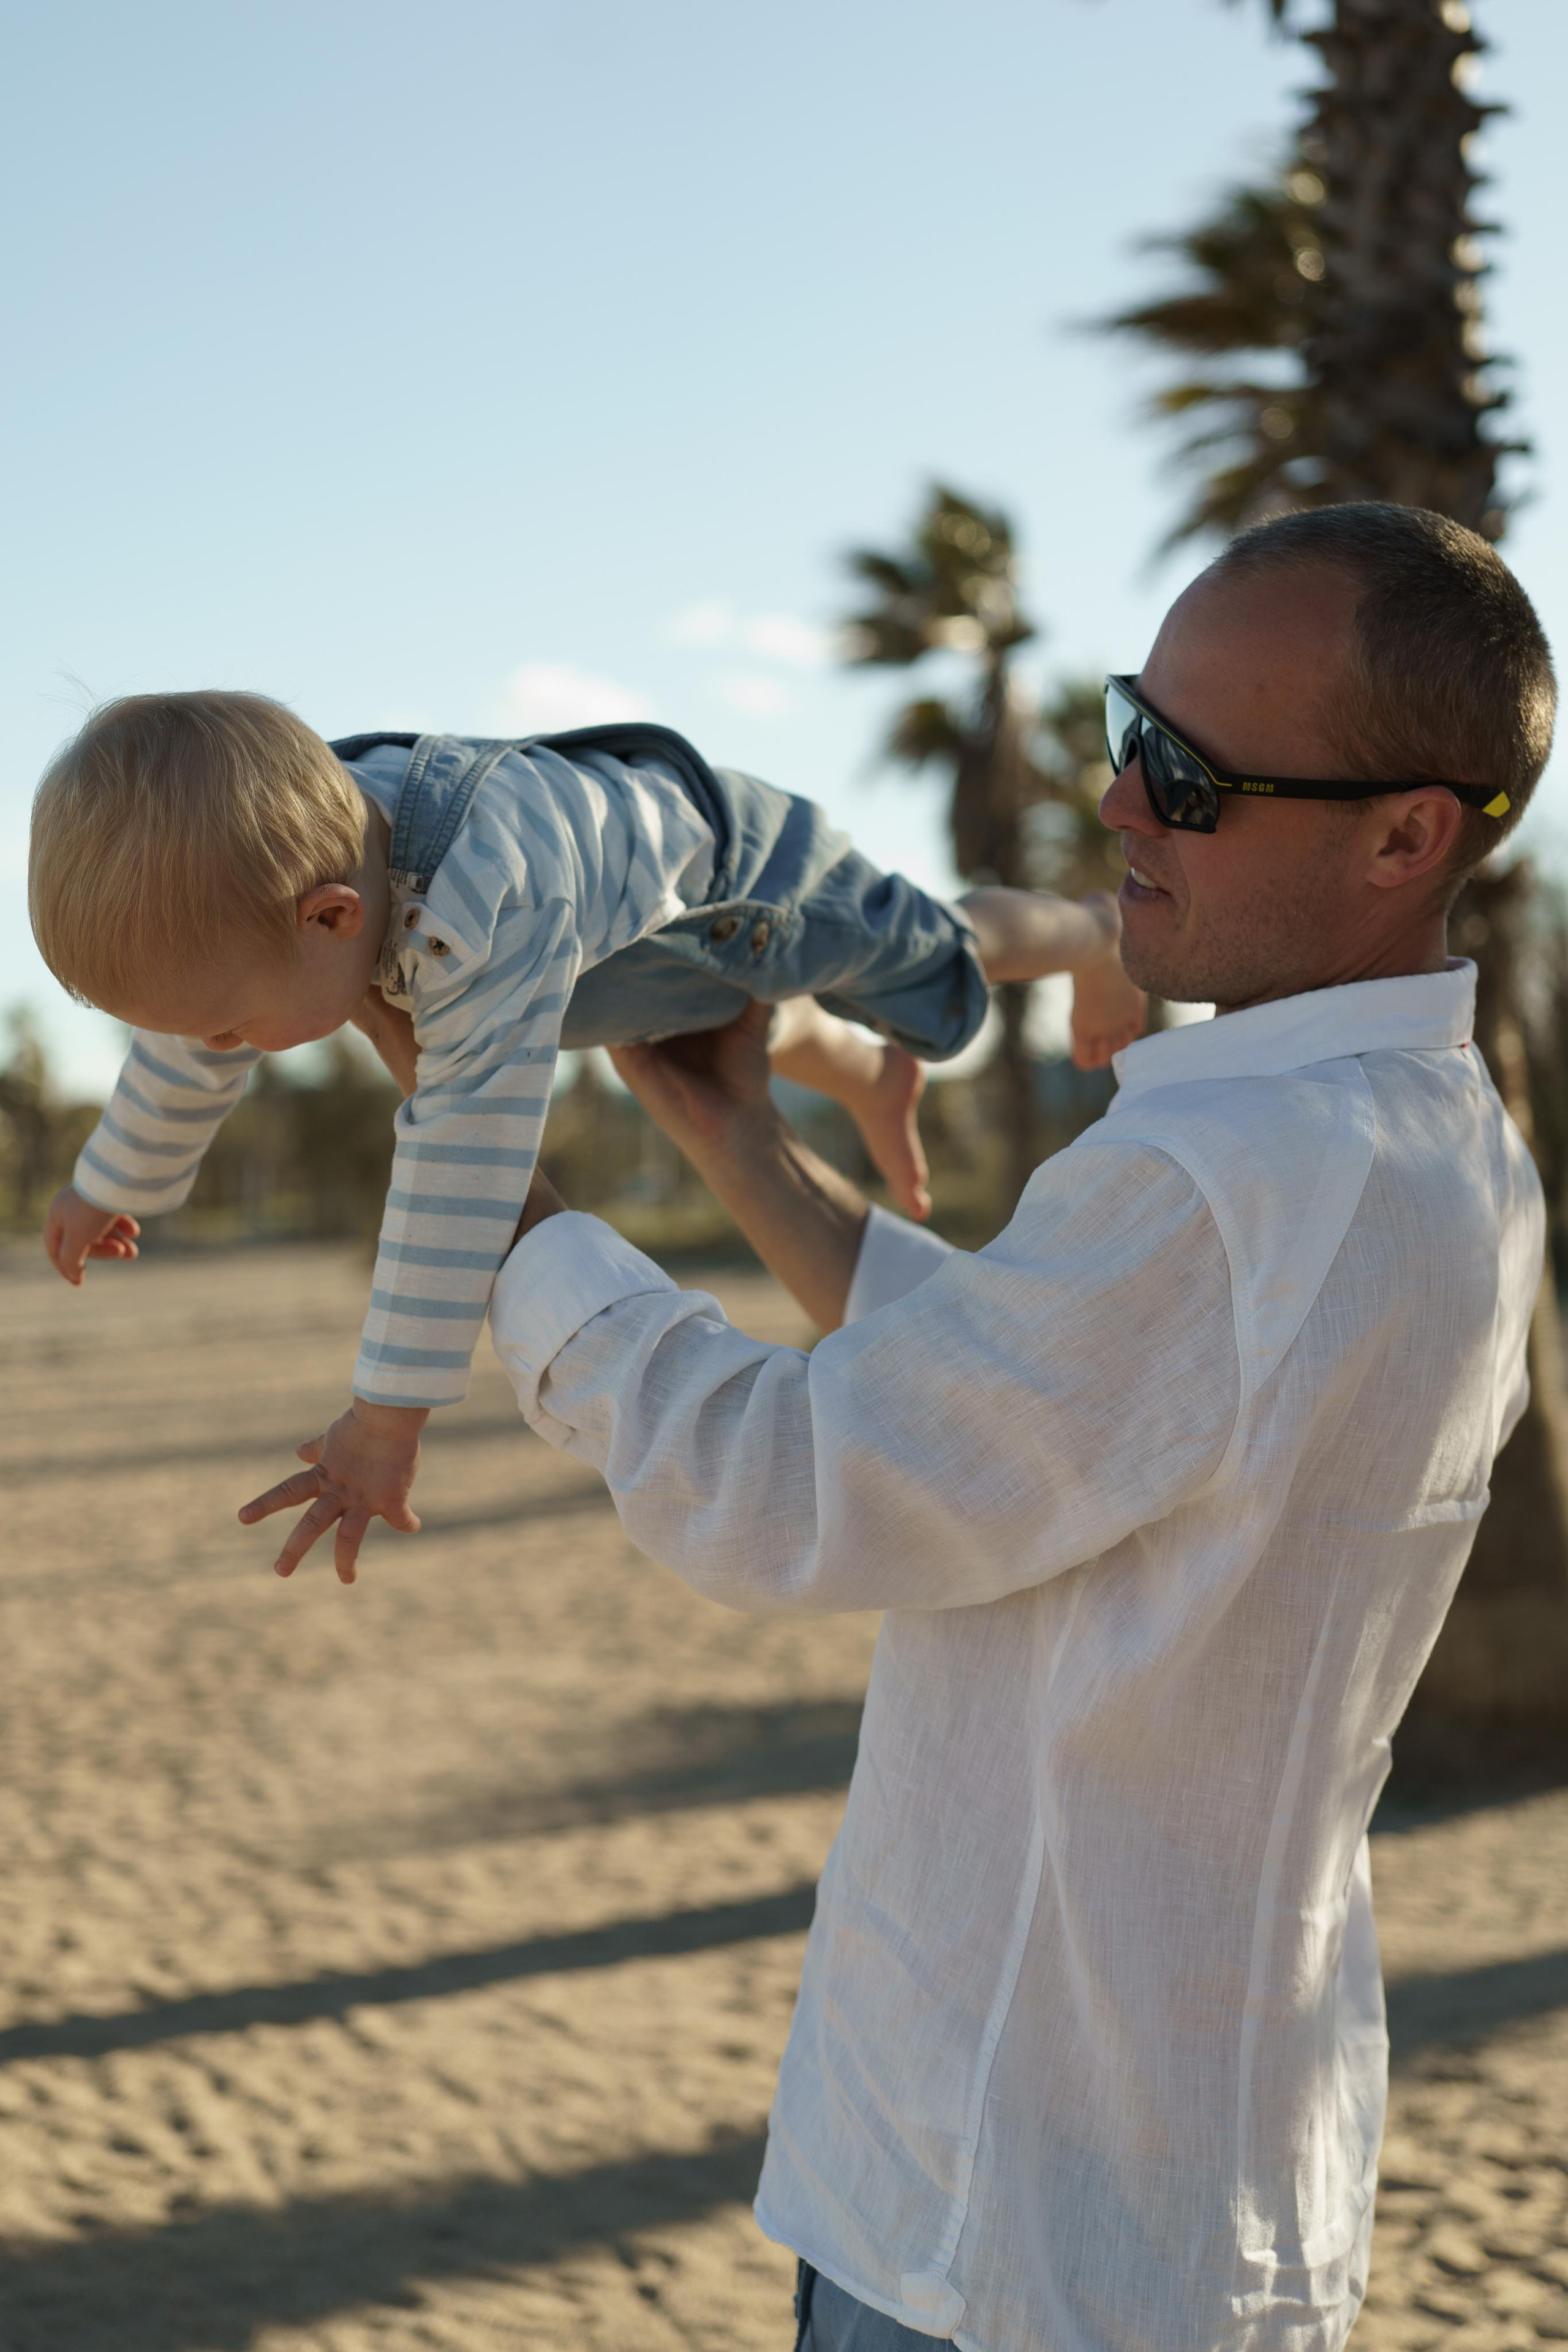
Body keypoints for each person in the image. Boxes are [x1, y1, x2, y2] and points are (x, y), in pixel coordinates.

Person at [255, 502, 1553, 2351]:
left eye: (1186, 775)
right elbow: (1048, 1408)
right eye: (1129, 729)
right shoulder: (1439, 1146)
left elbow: (796, 1489)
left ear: (1407, 836)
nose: (1117, 806)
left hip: (1004, 2216)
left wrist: (499, 1201)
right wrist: (737, 1138)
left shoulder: (1230, 1174)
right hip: (1195, 2194)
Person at [29, 701, 1144, 1579]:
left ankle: (1085, 931)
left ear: (332, 918)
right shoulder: (267, 874)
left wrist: (385, 1417)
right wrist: (110, 1179)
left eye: (228, 1026)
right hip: (620, 946)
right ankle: (861, 1071)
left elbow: (462, 1160)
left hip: (750, 878)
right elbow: (193, 1038)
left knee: (940, 967)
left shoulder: (476, 909)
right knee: (695, 1013)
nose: (220, 1047)